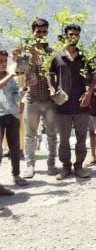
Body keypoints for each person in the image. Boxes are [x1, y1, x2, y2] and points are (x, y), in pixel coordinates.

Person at [49, 24, 96, 180]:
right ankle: (66, 167)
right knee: (63, 138)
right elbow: (49, 74)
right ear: (65, 35)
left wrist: (89, 94)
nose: (73, 37)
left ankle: (79, 166)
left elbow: (94, 76)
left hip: (81, 104)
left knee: (81, 138)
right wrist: (51, 89)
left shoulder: (85, 56)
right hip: (62, 105)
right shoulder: (57, 56)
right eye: (70, 34)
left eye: (76, 34)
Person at [19, 18, 58, 178]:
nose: (41, 34)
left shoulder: (52, 53)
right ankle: (30, 165)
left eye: (44, 31)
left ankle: (51, 163)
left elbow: (56, 74)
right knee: (30, 135)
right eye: (38, 31)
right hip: (32, 99)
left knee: (52, 134)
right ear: (33, 32)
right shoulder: (26, 53)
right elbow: (21, 72)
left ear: (47, 32)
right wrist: (30, 59)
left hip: (49, 100)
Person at [0, 50, 28, 186]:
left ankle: (16, 175)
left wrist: (25, 89)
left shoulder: (11, 78)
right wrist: (11, 75)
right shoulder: (10, 77)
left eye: (5, 61)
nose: (3, 64)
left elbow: (16, 97)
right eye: (0, 61)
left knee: (15, 147)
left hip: (12, 115)